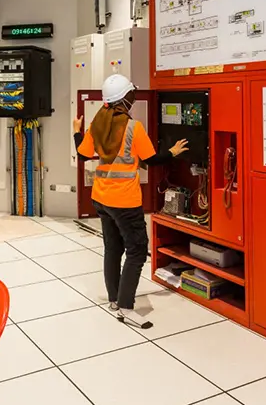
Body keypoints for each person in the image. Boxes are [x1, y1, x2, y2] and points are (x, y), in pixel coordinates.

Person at [74, 74, 188, 329]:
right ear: (125, 99)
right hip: (124, 201)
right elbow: (151, 159)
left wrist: (75, 131)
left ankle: (115, 300)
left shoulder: (97, 122)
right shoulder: (133, 127)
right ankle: (126, 307)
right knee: (137, 250)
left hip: (101, 198)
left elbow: (82, 156)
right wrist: (172, 152)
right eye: (131, 95)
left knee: (113, 249)